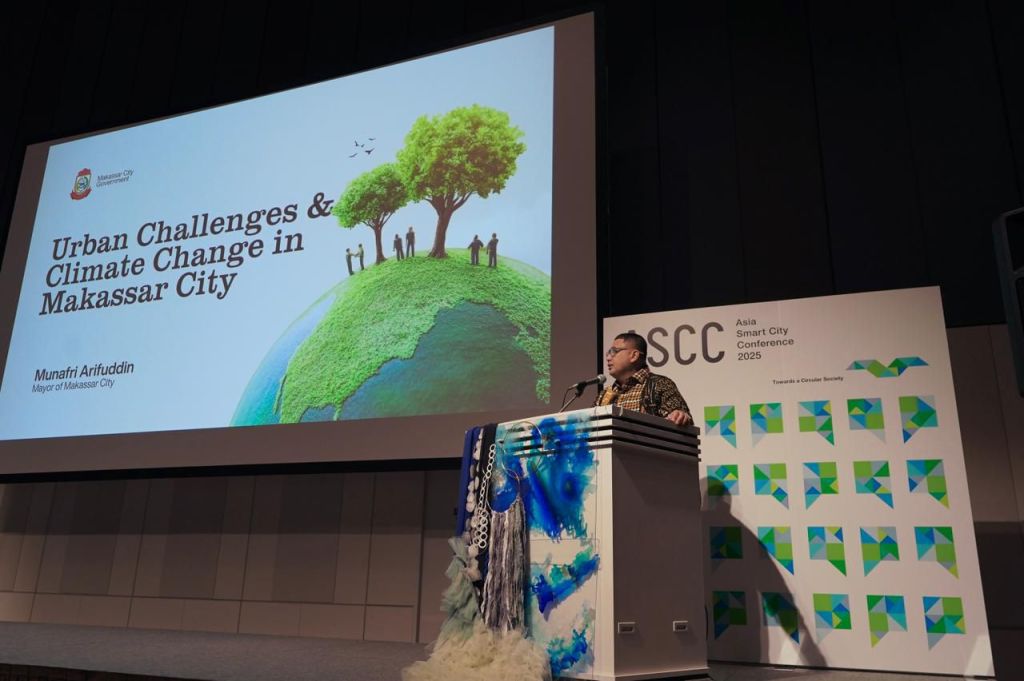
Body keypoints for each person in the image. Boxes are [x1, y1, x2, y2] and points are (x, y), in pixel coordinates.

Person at [595, 332, 692, 426]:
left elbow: (680, 416)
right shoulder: (605, 394)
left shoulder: (660, 384)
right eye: (608, 353)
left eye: (614, 351)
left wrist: (680, 415)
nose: (608, 358)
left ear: (634, 356)